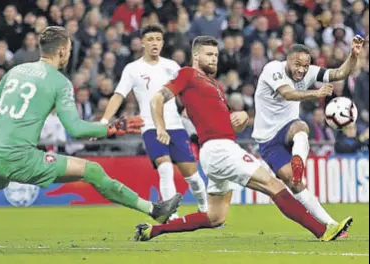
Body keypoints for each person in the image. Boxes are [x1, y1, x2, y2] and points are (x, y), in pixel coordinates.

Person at [0, 26, 182, 253]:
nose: (70, 53)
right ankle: (153, 210)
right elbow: (75, 128)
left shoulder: (15, 71)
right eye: (70, 49)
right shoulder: (59, 82)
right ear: (62, 50)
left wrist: (3, 105)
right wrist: (113, 127)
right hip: (19, 156)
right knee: (93, 170)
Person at [134, 36, 351, 242]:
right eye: (208, 54)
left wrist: (243, 117)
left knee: (215, 217)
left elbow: (223, 121)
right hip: (221, 150)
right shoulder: (188, 74)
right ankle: (322, 230)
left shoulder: (215, 86)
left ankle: (153, 231)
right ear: (196, 55)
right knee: (274, 185)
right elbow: (158, 99)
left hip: (214, 153)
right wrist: (160, 128)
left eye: (216, 55)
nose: (214, 59)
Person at [252, 37, 365, 235]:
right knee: (295, 183)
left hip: (288, 128)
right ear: (287, 60)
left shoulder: (310, 72)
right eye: (297, 64)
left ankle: (299, 162)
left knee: (300, 126)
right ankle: (327, 226)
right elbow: (287, 93)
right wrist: (316, 93)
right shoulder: (273, 69)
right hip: (267, 139)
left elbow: (339, 73)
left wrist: (353, 56)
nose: (302, 70)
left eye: (305, 65)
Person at [101, 25, 208, 216]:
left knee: (192, 176)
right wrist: (104, 120)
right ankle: (171, 215)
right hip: (150, 126)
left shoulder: (172, 66)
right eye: (150, 39)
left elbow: (186, 91)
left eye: (158, 39)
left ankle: (205, 209)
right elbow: (118, 95)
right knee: (165, 168)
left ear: (163, 42)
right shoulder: (133, 69)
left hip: (175, 126)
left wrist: (189, 109)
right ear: (142, 43)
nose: (154, 43)